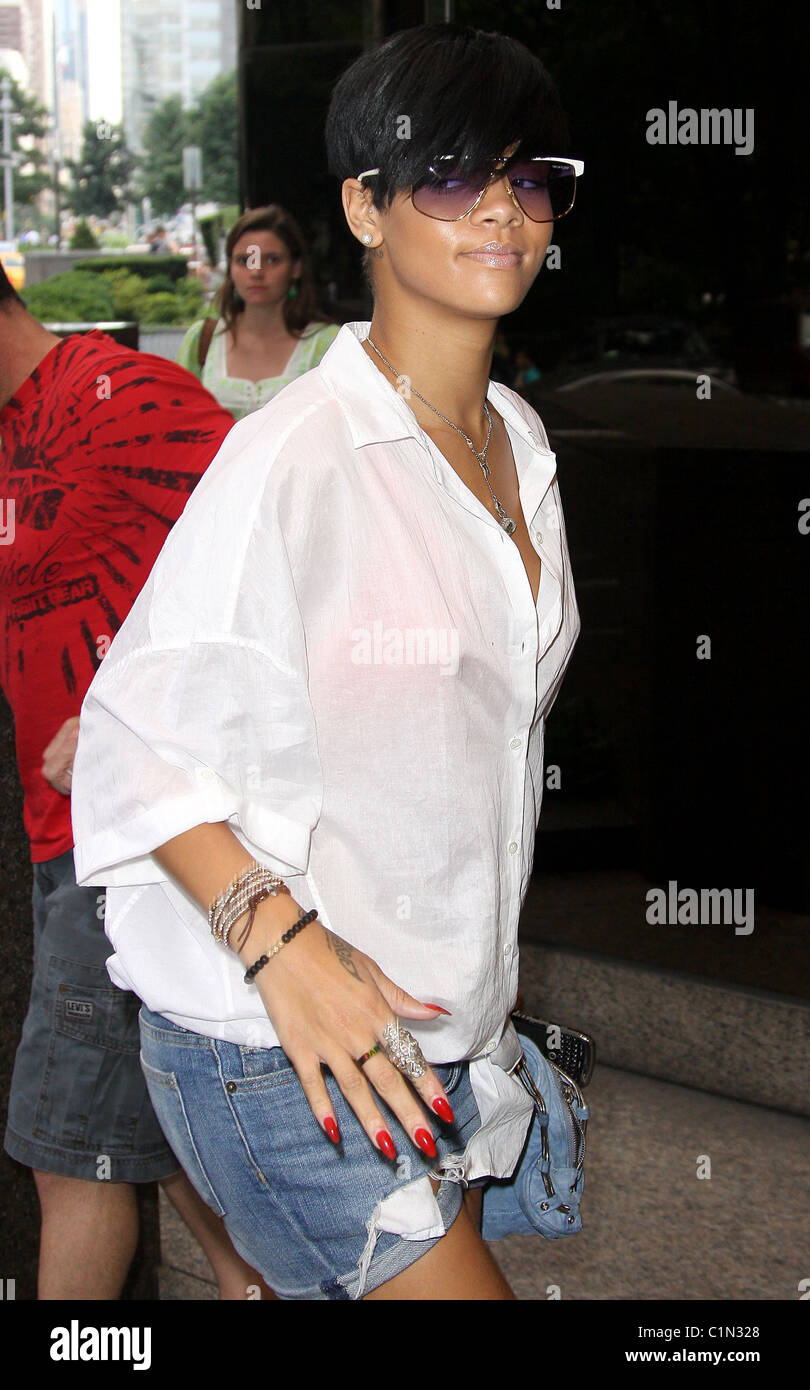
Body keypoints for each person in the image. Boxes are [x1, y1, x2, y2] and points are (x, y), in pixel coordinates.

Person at [71, 21, 583, 1301]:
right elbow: (136, 739)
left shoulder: (523, 445)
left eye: (534, 181)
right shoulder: (297, 456)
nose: (506, 213)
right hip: (286, 1044)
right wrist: (284, 946)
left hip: (440, 1027)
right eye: (458, 177)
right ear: (364, 206)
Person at [0, 265, 275, 1300]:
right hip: (61, 839)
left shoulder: (123, 397)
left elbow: (272, 557)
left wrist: (133, 710)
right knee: (171, 1147)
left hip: (129, 846)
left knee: (69, 1153)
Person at [176, 206, 340, 422]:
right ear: (230, 269)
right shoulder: (201, 340)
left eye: (272, 259)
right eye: (244, 260)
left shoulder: (331, 344)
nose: (256, 272)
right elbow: (177, 423)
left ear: (296, 268)